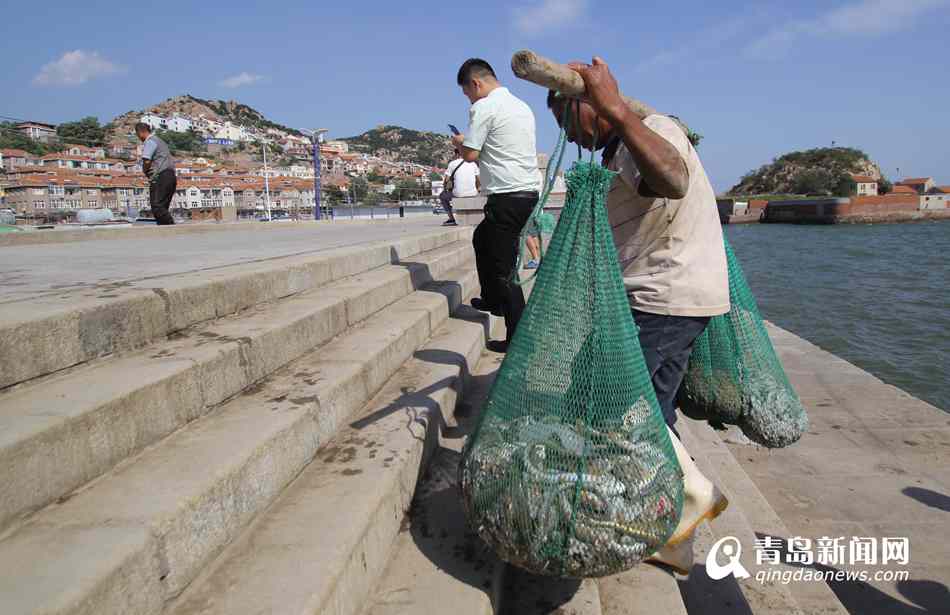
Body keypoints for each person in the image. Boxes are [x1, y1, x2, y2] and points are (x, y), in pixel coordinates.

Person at [546, 56, 730, 574]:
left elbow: (671, 178)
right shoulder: (617, 152)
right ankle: (672, 536)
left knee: (600, 401)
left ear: (589, 104)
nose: (569, 134)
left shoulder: (649, 130)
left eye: (566, 120)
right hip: (662, 298)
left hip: (662, 301)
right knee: (652, 411)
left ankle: (691, 497)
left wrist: (617, 111)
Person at [452, 58, 541, 351]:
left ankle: (518, 340)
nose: (469, 97)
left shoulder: (484, 107)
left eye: (467, 92)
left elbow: (470, 154)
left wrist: (461, 141)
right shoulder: (521, 106)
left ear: (475, 84)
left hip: (506, 197)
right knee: (482, 238)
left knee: (504, 270)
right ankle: (492, 300)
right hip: (526, 193)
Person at [135, 122, 176, 225]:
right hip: (170, 176)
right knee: (163, 207)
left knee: (157, 206)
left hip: (161, 176)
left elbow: (147, 160)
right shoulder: (160, 141)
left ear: (140, 132)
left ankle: (172, 227)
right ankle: (167, 233)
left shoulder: (151, 142)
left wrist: (145, 171)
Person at [441, 147, 480, 226]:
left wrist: (445, 188)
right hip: (473, 193)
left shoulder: (452, 163)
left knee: (442, 196)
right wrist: (478, 188)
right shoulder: (473, 163)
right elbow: (478, 179)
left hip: (458, 194)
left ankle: (451, 219)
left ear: (457, 154)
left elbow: (446, 180)